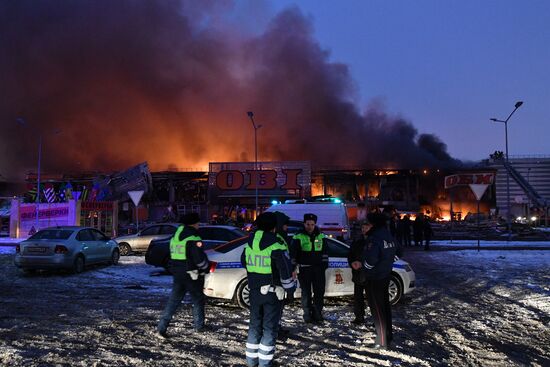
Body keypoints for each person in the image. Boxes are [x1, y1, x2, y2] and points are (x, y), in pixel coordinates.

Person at [241, 212, 296, 367]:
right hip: (272, 293)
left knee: (254, 326)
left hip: (254, 291)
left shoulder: (250, 242)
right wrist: (290, 289)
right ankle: (265, 363)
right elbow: (285, 270)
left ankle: (252, 362)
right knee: (270, 328)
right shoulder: (276, 244)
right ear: (274, 227)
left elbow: (243, 260)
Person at [157, 212, 210, 337]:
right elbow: (199, 259)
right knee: (198, 300)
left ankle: (161, 328)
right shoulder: (193, 237)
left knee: (173, 301)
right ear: (194, 223)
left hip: (178, 274)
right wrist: (206, 267)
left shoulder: (176, 236)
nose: (199, 225)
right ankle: (199, 325)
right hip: (193, 274)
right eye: (198, 223)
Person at [363, 212, 398, 349]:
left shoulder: (375, 238)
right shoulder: (388, 235)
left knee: (377, 310)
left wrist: (366, 268)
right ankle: (388, 335)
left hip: (375, 277)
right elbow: (399, 252)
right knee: (385, 308)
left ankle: (382, 341)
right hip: (385, 275)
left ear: (374, 224)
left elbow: (371, 259)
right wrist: (387, 263)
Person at [290, 213, 329, 323]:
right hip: (305, 269)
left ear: (315, 224)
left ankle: (317, 314)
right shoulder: (298, 236)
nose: (310, 226)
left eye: (312, 224)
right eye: (308, 224)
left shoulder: (321, 235)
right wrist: (293, 267)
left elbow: (325, 252)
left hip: (319, 269)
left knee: (319, 292)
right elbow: (293, 254)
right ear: (304, 224)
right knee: (306, 293)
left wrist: (324, 266)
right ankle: (307, 315)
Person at [348, 221, 373, 325]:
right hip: (358, 273)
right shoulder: (358, 241)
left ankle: (376, 319)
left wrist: (362, 263)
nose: (364, 230)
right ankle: (359, 317)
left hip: (370, 274)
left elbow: (374, 258)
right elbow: (350, 254)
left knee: (372, 299)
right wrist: (352, 263)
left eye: (366, 227)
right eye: (363, 227)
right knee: (358, 298)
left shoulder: (375, 241)